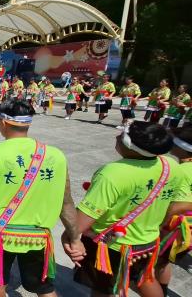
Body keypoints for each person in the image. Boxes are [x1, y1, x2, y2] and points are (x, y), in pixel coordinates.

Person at [0, 99, 83, 297]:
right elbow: (67, 202)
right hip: (38, 238)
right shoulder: (56, 155)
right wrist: (75, 237)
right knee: (44, 288)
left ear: (2, 122)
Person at [69, 121, 185, 297]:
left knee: (104, 289)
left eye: (122, 135)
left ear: (132, 146)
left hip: (112, 247)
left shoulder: (113, 173)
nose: (116, 137)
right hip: (148, 241)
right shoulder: (171, 165)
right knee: (146, 279)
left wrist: (69, 237)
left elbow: (80, 223)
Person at [156, 126, 192, 296]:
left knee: (160, 259)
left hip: (178, 224)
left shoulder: (181, 171)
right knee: (166, 259)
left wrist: (160, 224)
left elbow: (180, 205)